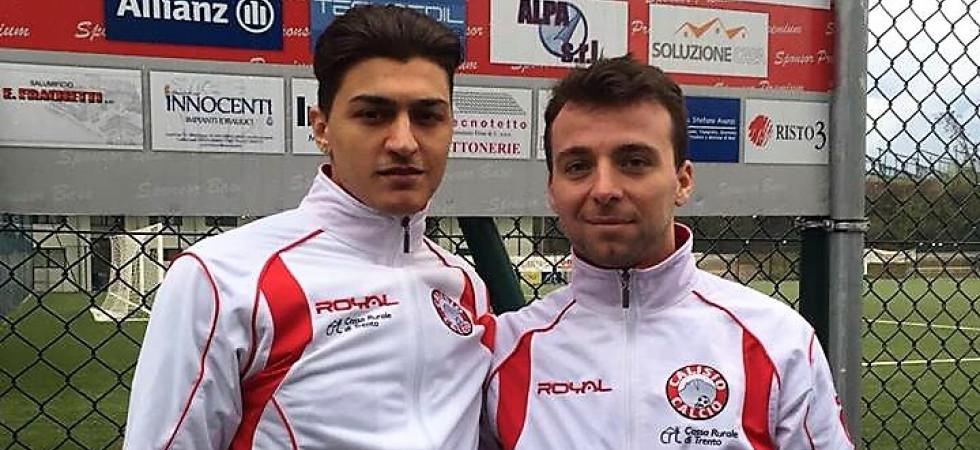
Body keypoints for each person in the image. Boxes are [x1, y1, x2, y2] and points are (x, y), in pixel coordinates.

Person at [124, 6, 494, 449]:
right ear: (322, 128)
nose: (403, 142)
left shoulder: (465, 285)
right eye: (372, 115)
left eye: (427, 117)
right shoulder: (223, 278)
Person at [481, 56, 853, 450]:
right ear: (552, 189)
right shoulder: (505, 355)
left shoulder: (778, 341)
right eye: (577, 166)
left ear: (682, 181)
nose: (604, 188)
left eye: (634, 162)